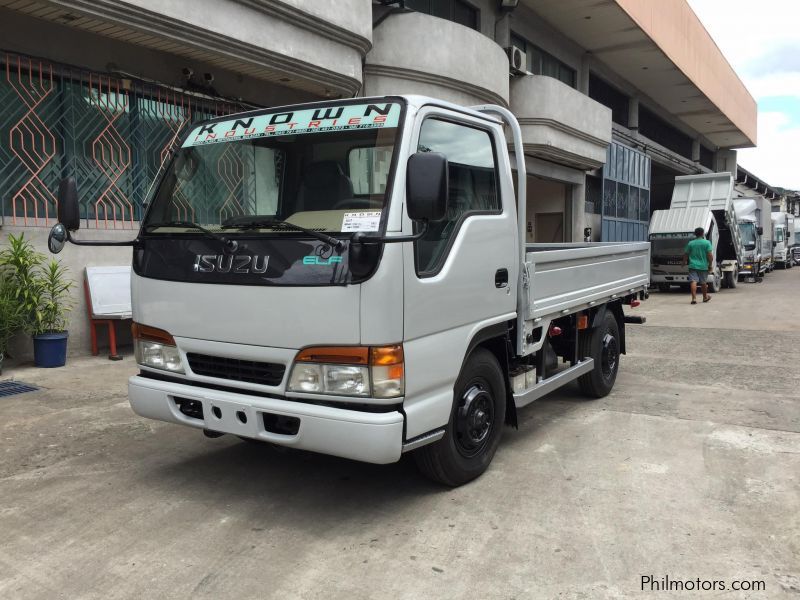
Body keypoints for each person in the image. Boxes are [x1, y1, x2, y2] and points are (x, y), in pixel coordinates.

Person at [682, 227, 714, 305]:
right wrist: (710, 265)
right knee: (703, 282)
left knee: (693, 281)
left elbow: (686, 254)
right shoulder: (707, 243)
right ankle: (705, 297)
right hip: (703, 266)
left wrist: (683, 262)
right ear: (703, 233)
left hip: (693, 266)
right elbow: (710, 255)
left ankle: (694, 298)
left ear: (695, 234)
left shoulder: (691, 243)